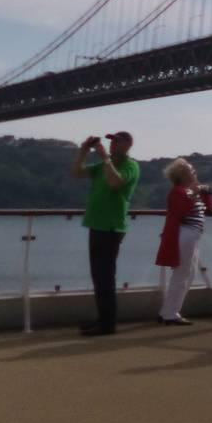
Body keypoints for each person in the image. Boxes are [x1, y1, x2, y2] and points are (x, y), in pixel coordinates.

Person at [70, 131, 141, 336]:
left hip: (111, 227)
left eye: (117, 141)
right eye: (111, 142)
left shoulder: (131, 165)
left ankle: (108, 324)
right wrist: (83, 151)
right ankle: (103, 319)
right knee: (98, 276)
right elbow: (76, 172)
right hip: (96, 224)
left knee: (105, 276)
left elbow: (115, 183)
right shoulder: (104, 165)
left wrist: (104, 158)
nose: (112, 145)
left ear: (128, 144)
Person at [155, 159, 212, 325]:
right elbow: (181, 211)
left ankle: (168, 311)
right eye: (191, 170)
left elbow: (208, 208)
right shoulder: (177, 192)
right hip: (185, 234)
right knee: (182, 274)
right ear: (182, 175)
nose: (194, 172)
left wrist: (204, 192)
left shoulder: (189, 191)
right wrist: (195, 193)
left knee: (189, 273)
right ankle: (170, 314)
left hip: (192, 235)